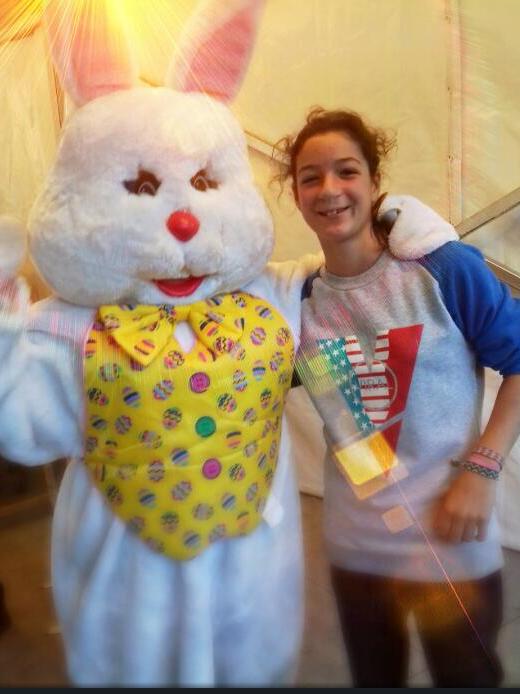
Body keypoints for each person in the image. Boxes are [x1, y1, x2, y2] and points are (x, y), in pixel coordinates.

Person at [275, 107, 520, 687]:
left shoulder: (442, 270)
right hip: (356, 549)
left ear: (375, 180)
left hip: (451, 543)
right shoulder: (295, 303)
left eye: (347, 171)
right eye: (311, 177)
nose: (329, 189)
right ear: (297, 196)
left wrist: (483, 469)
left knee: (466, 677)